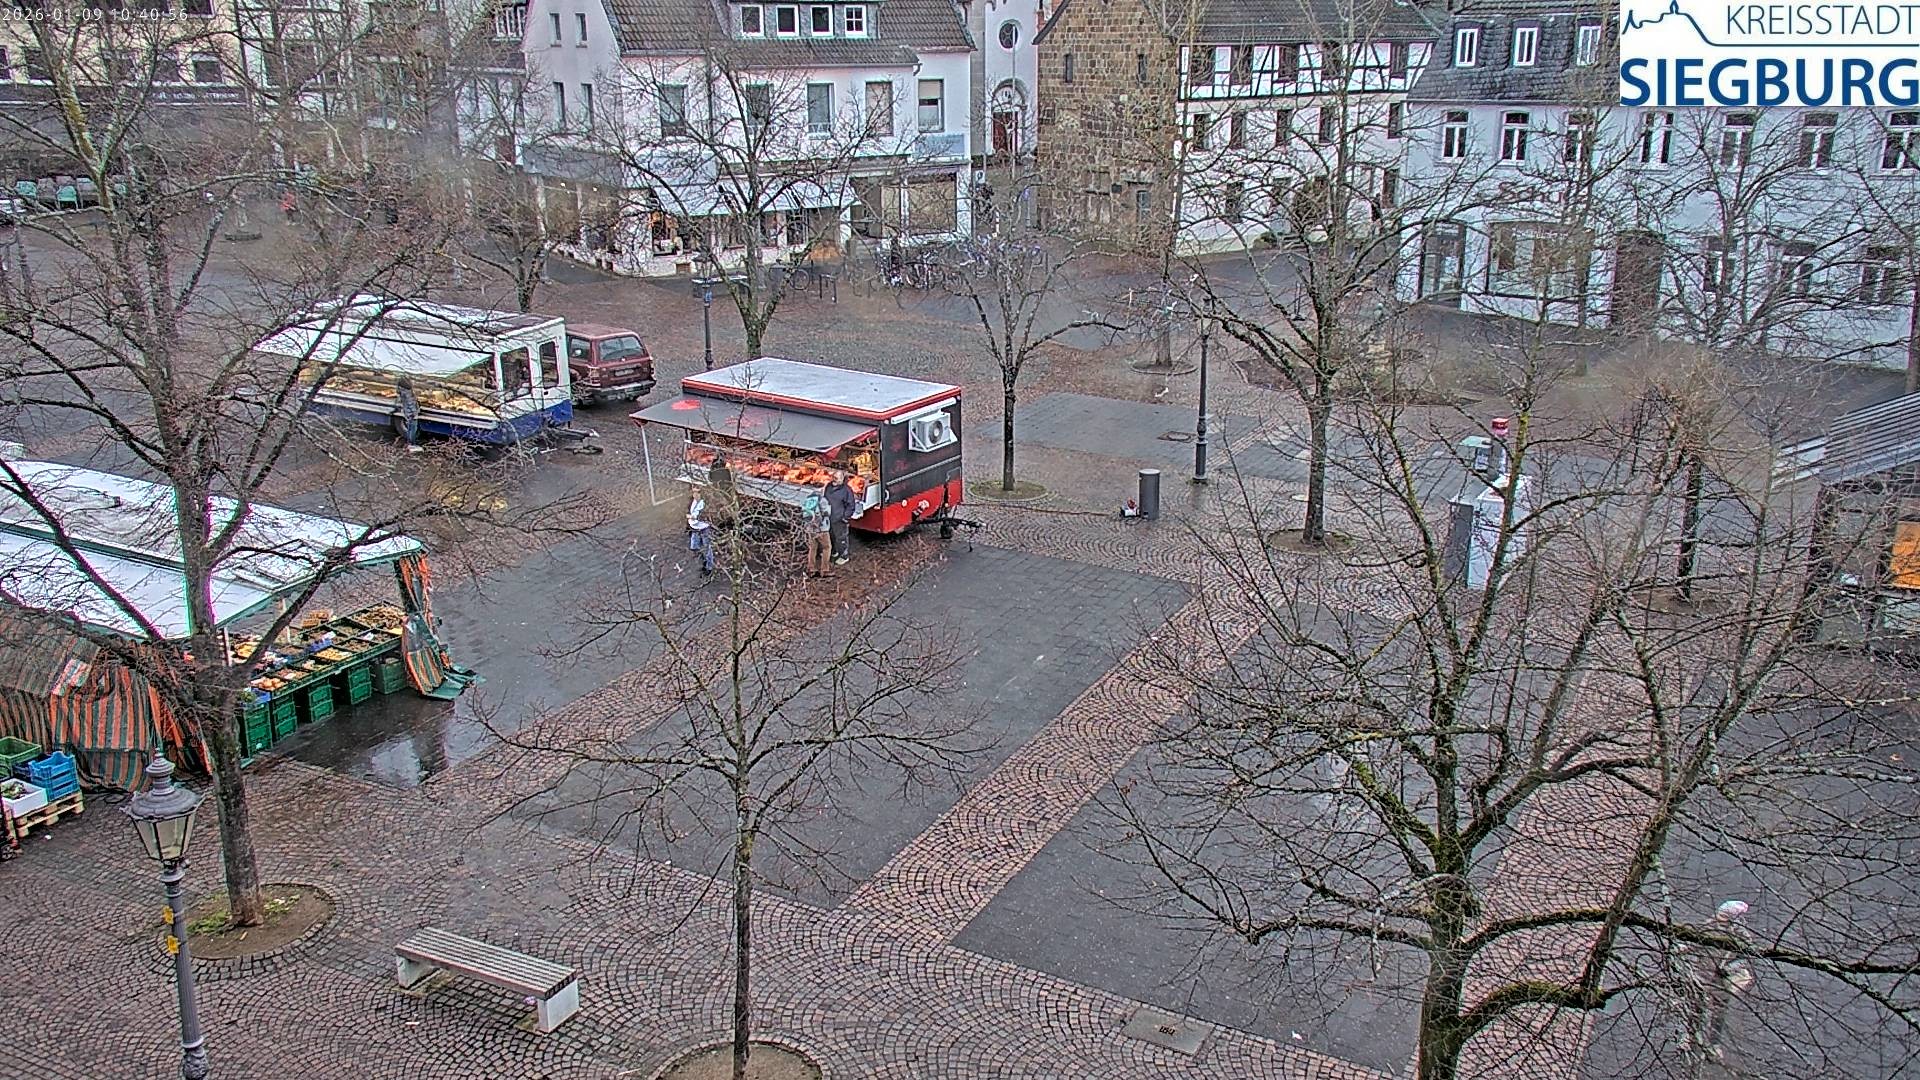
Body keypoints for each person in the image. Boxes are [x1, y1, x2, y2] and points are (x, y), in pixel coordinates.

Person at [823, 469, 859, 566]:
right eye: (834, 477)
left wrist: (845, 517)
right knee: (831, 536)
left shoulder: (846, 491)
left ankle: (844, 556)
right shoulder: (828, 487)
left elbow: (851, 505)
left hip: (839, 519)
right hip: (829, 517)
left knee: (841, 538)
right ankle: (834, 552)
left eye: (837, 478)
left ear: (842, 479)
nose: (835, 480)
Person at [801, 485, 833, 577]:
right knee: (827, 547)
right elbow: (827, 512)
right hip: (821, 529)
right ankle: (825, 570)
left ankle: (811, 569)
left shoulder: (808, 499)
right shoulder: (822, 500)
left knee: (812, 548)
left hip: (810, 529)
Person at [687, 493, 717, 575]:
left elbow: (707, 515)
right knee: (694, 547)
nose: (695, 495)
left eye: (697, 493)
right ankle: (703, 560)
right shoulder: (692, 502)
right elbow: (688, 510)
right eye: (694, 493)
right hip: (694, 528)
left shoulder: (705, 504)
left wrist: (695, 517)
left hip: (704, 528)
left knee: (707, 548)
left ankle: (709, 567)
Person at [394, 377, 421, 453]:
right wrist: (415, 412)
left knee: (410, 428)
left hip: (407, 413)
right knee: (413, 429)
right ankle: (411, 444)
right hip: (411, 413)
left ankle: (409, 444)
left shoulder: (402, 391)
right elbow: (410, 404)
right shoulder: (407, 392)